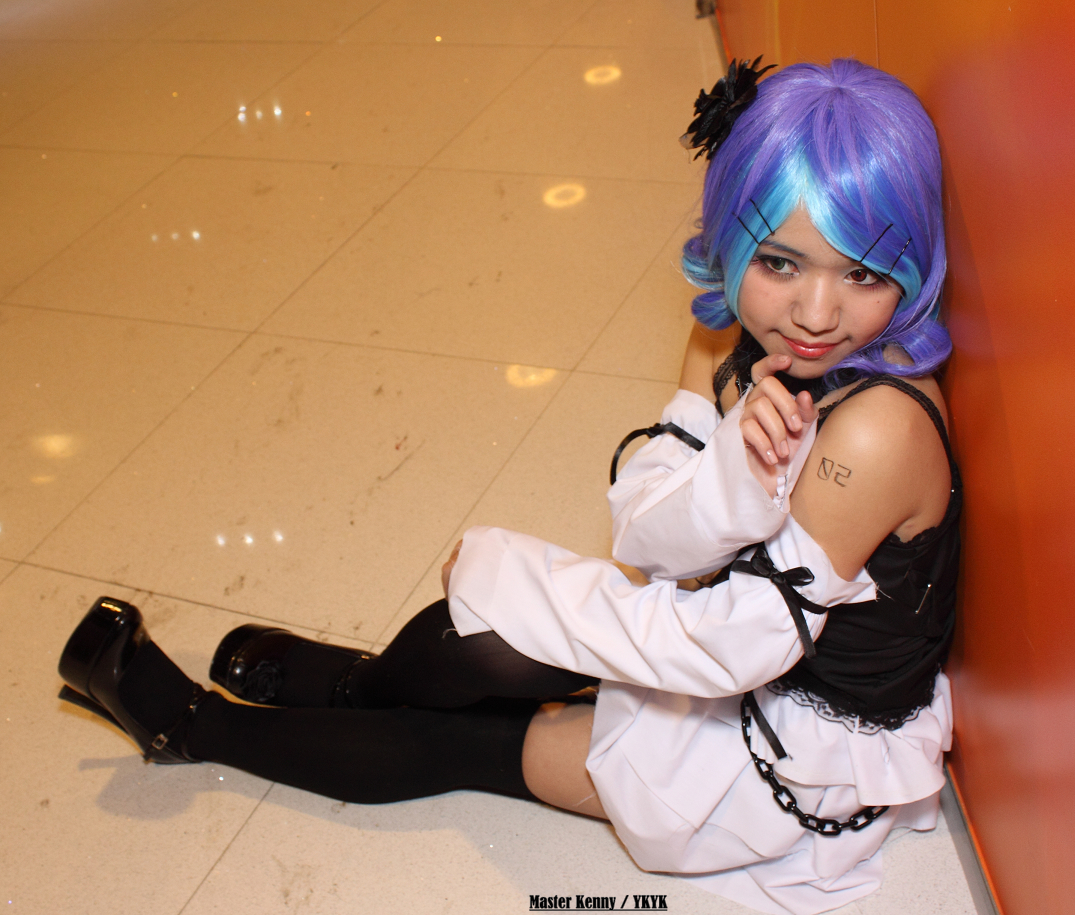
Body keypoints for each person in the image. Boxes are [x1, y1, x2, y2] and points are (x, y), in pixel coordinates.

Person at [57, 58, 959, 915]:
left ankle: (192, 727)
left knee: (457, 739)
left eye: (863, 272)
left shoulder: (878, 430)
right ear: (730, 242)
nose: (814, 314)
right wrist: (734, 473)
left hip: (787, 747)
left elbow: (728, 649)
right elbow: (647, 540)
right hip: (720, 636)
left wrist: (520, 584)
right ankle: (353, 687)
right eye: (779, 262)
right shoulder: (729, 335)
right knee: (466, 642)